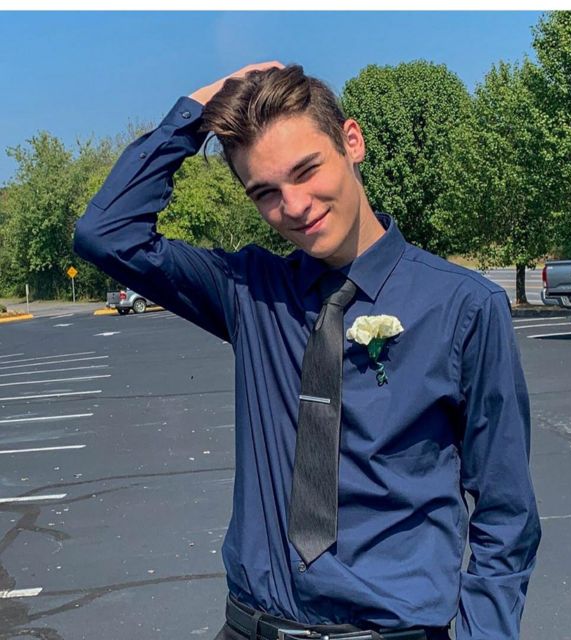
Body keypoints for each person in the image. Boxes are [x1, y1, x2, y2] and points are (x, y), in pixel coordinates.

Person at [73, 62, 541, 640]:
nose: (293, 206)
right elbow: (107, 235)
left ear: (352, 142)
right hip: (251, 627)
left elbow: (505, 512)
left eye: (306, 170)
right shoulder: (250, 293)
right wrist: (195, 113)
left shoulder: (463, 307)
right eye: (265, 192)